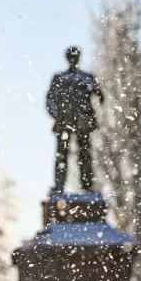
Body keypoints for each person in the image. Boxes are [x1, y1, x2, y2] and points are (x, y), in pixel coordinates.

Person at [46, 46, 103, 193]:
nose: (73, 60)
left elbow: (100, 96)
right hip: (67, 122)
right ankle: (60, 186)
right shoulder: (61, 78)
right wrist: (59, 115)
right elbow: (50, 101)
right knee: (62, 156)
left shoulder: (86, 78)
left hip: (81, 123)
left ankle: (86, 186)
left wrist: (88, 113)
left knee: (83, 156)